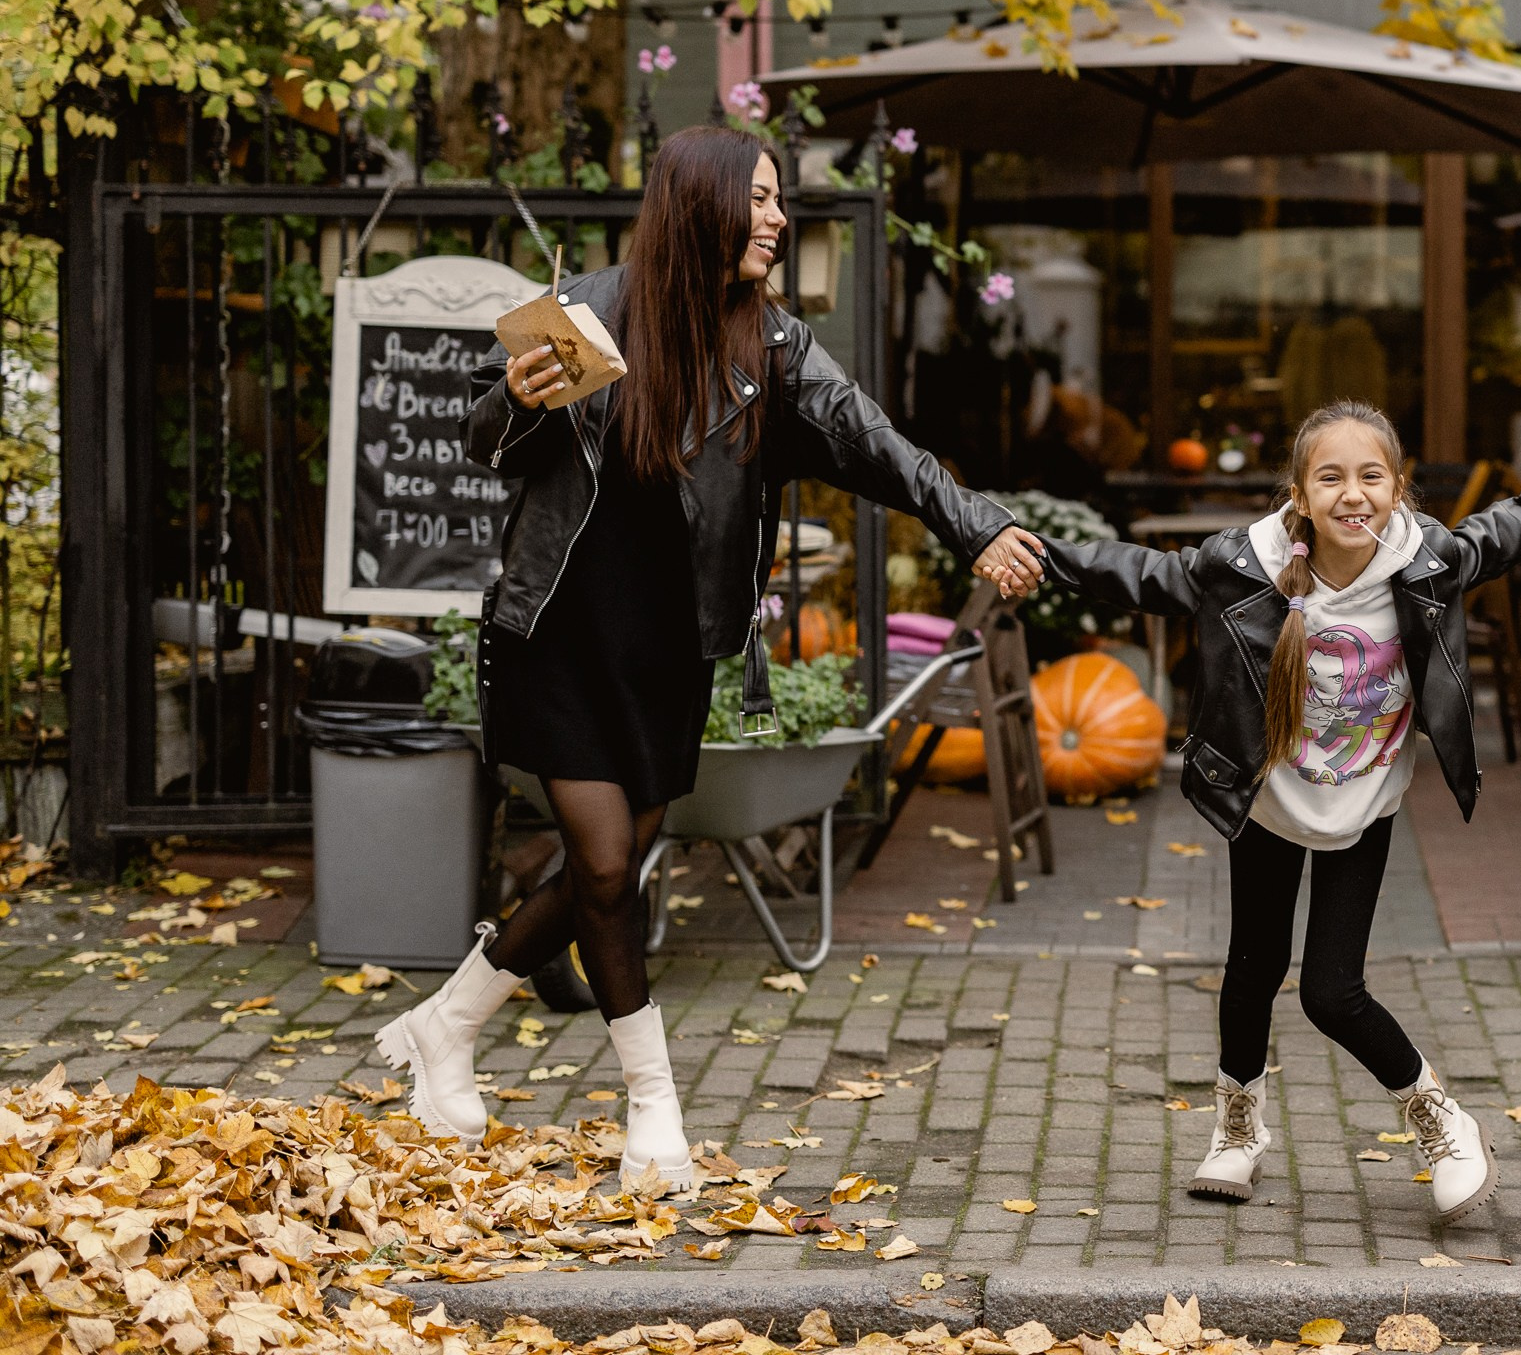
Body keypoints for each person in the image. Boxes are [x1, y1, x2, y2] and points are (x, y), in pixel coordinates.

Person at [381, 126, 1046, 1191]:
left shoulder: (773, 347)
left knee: (605, 870)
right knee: (607, 868)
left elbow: (876, 443)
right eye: (762, 199)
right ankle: (654, 1108)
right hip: (558, 631)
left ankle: (447, 1023)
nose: (778, 219)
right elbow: (482, 440)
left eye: (781, 200)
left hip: (668, 650)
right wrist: (517, 395)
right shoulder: (586, 312)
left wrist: (976, 525)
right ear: (703, 205)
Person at [1027, 399, 1521, 1225]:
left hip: (1364, 802)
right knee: (1251, 971)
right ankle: (1237, 1129)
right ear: (1301, 495)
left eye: (1371, 476)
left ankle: (1440, 1118)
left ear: (1397, 488)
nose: (1353, 494)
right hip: (1272, 800)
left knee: (1331, 992)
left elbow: (1506, 531)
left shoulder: (1427, 560)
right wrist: (1029, 551)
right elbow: (1136, 573)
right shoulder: (1247, 564)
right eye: (1331, 478)